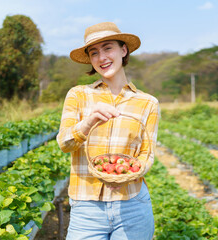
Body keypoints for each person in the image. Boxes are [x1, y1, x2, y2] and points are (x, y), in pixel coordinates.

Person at [56, 22, 159, 240]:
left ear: (123, 50)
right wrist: (88, 121)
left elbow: (147, 155)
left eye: (108, 48)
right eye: (94, 52)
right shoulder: (78, 95)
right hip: (87, 207)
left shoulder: (148, 103)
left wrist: (130, 174)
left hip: (132, 205)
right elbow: (64, 143)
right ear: (91, 60)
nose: (102, 57)